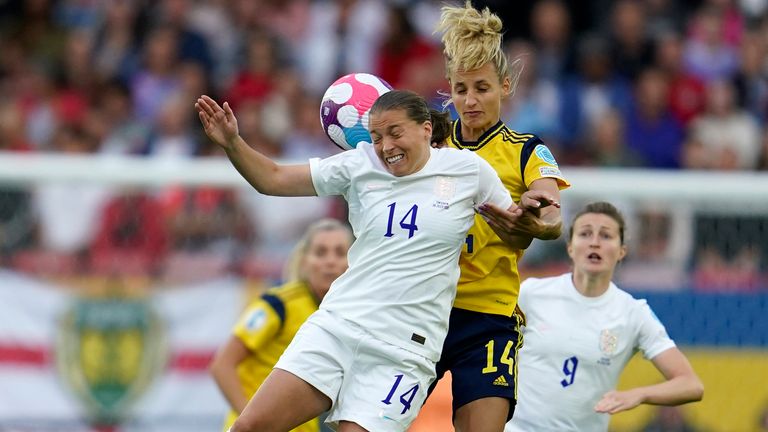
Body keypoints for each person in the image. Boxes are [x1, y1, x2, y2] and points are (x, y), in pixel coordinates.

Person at [196, 89, 517, 432]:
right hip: (339, 328)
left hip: (403, 354)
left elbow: (516, 229)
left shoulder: (468, 171)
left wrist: (540, 223)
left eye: (395, 133)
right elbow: (272, 178)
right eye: (377, 137)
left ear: (426, 129)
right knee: (249, 427)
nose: (386, 147)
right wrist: (232, 142)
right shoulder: (361, 163)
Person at [431, 3, 570, 431]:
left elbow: (550, 210)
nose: (470, 101)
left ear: (505, 86)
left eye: (482, 88)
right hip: (424, 308)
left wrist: (534, 218)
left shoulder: (525, 148)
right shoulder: (431, 145)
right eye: (460, 89)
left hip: (489, 317)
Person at [506, 201, 704, 432]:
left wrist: (639, 395)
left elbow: (691, 385)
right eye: (585, 233)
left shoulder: (633, 313)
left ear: (622, 251)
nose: (595, 242)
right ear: (570, 247)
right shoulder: (531, 293)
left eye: (606, 236)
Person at [209, 218, 353, 432]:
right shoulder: (278, 305)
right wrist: (252, 421)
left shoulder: (350, 316)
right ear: (304, 261)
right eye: (320, 252)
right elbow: (222, 365)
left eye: (340, 253)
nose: (330, 261)